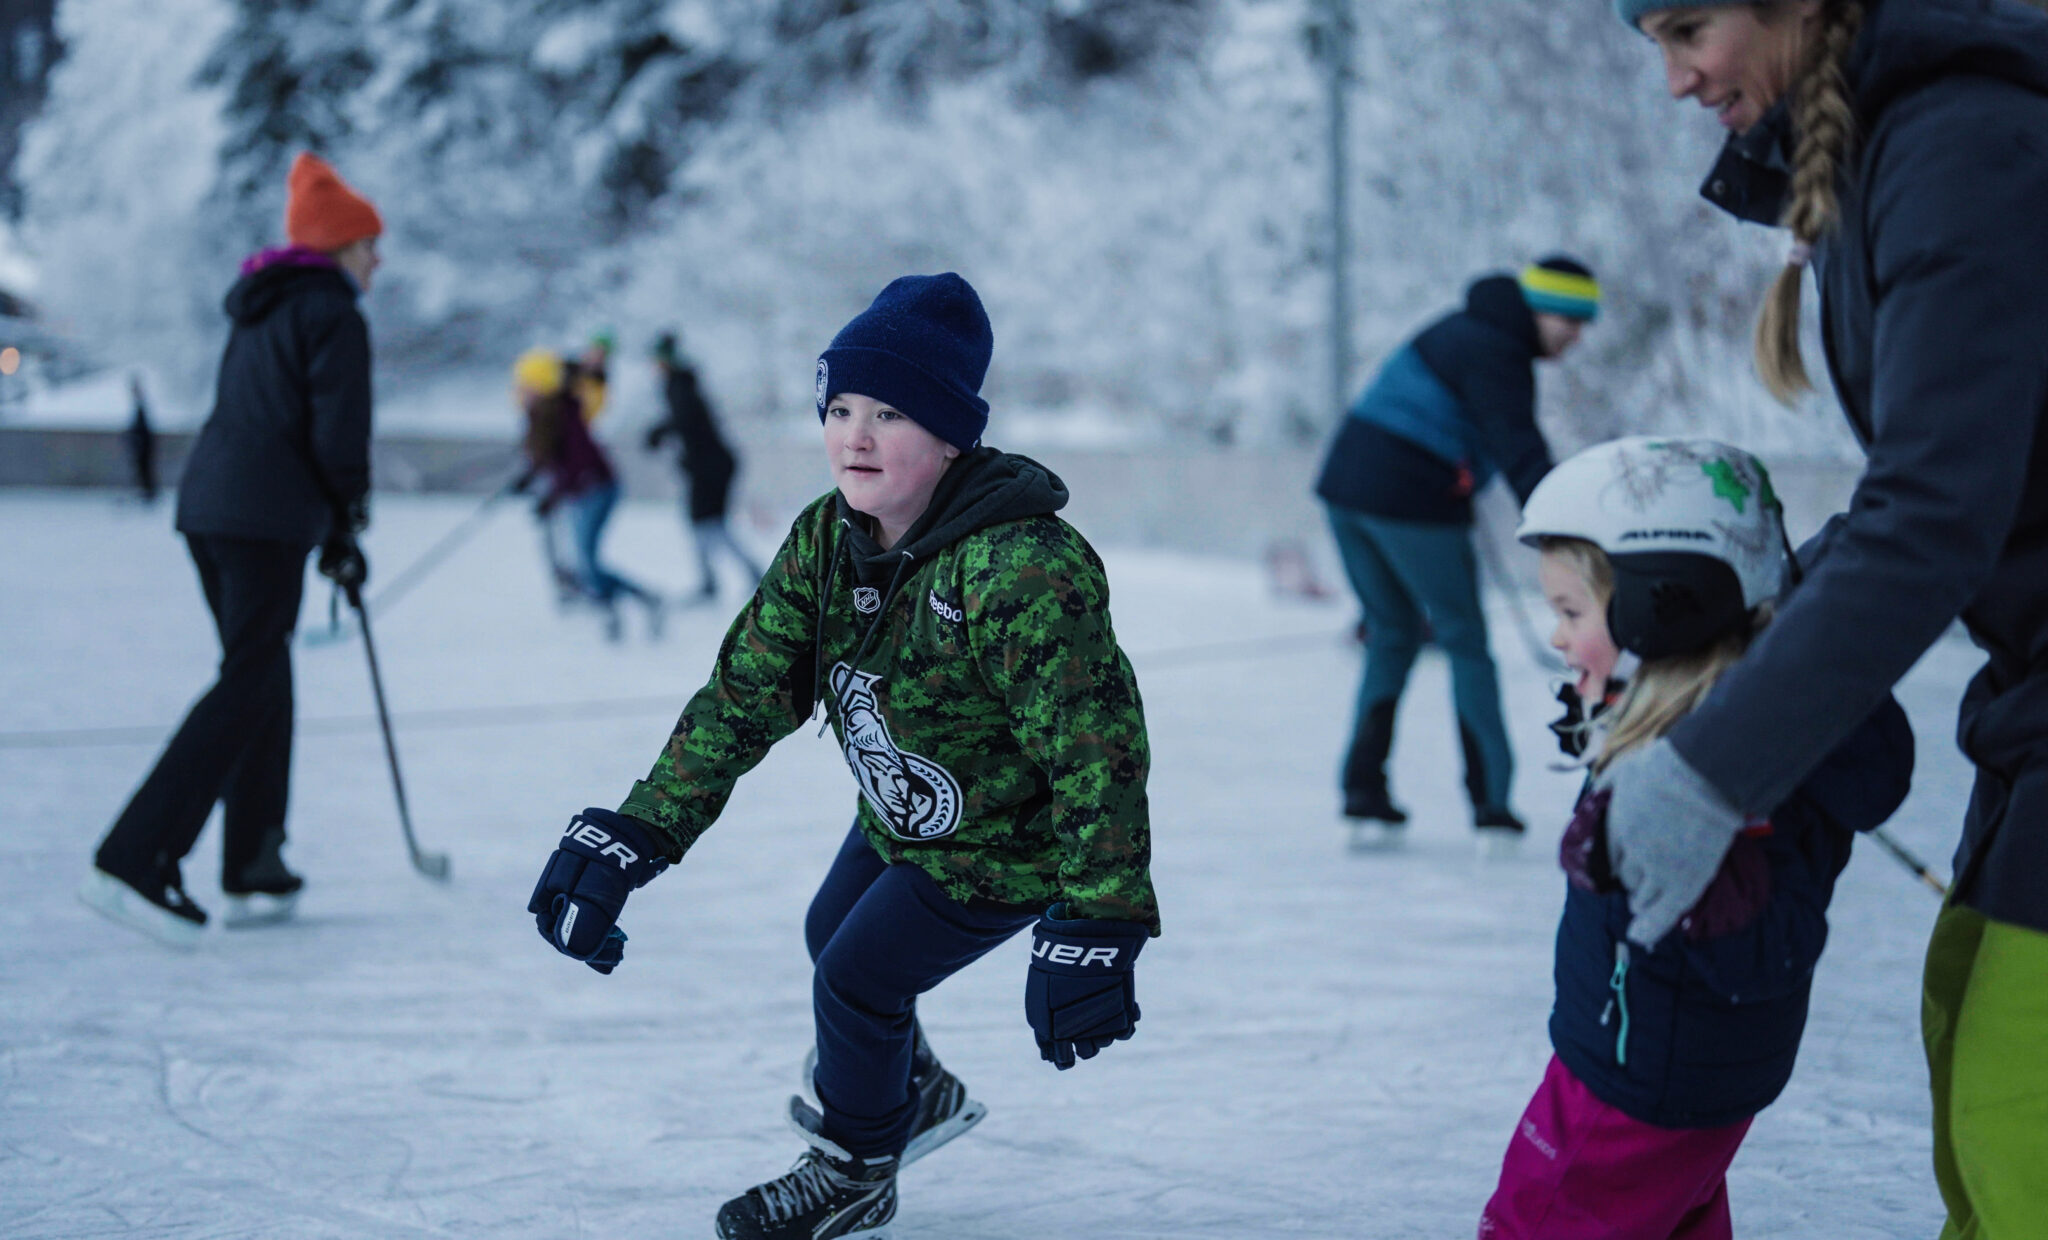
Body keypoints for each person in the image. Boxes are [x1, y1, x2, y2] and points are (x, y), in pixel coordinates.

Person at [524, 273, 1160, 1240]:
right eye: (840, 407)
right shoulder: (828, 541)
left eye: (891, 413)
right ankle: (921, 1096)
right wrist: (641, 827)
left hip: (1005, 848)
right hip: (901, 816)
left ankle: (858, 1168)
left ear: (952, 436)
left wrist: (1101, 916)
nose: (854, 436)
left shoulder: (1019, 566)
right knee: (832, 932)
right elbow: (745, 694)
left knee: (856, 980)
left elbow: (1097, 750)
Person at [1608, 3, 2048, 1233]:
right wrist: (1720, 669)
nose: (1676, 77)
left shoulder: (1964, 143)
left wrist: (1709, 766)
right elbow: (1925, 489)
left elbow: (1932, 517)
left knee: (2018, 1106)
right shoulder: (1895, 150)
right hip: (2026, 700)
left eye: (1688, 26)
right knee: (1978, 1050)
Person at [1480, 436, 1912, 1238]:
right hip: (1672, 1073)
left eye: (1572, 612)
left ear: (1666, 604)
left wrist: (1690, 874)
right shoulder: (1717, 729)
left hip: (1634, 1085)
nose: (1556, 635)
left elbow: (1774, 946)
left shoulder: (1727, 778)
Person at [79, 151, 382, 946]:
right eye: (368, 247)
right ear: (340, 251)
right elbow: (337, 434)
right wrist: (346, 524)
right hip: (262, 517)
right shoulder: (334, 312)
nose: (376, 262)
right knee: (250, 676)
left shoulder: (264, 307)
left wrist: (332, 528)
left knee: (262, 669)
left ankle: (255, 859)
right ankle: (137, 855)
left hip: (213, 512)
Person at [1313, 256, 1598, 845]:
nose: (1577, 334)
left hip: (1344, 487)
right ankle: (1492, 804)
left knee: (1392, 632)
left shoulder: (1465, 330)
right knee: (1465, 638)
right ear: (1539, 310)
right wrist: (1570, 529)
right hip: (1408, 496)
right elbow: (1519, 447)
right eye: (1569, 318)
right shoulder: (1499, 351)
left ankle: (1363, 793)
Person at [513, 348, 663, 642]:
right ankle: (632, 605)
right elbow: (551, 458)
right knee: (585, 562)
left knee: (586, 563)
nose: (520, 391)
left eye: (526, 385)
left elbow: (576, 462)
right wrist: (530, 479)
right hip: (583, 490)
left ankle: (633, 604)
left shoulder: (560, 412)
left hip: (595, 489)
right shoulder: (547, 412)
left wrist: (552, 495)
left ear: (541, 385)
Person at [643, 329, 762, 602]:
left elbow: (686, 421)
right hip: (708, 465)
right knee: (707, 524)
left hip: (711, 466)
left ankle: (723, 579)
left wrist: (659, 432)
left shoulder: (679, 385)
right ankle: (723, 578)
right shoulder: (681, 383)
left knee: (708, 524)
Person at [123, 373, 158, 504]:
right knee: (142, 469)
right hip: (142, 443)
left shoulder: (141, 406)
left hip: (143, 444)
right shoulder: (140, 406)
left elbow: (142, 427)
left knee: (145, 469)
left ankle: (148, 493)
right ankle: (147, 492)